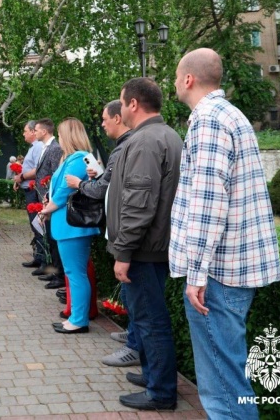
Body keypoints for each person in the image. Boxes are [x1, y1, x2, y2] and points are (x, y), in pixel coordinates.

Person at [170, 48, 280, 419]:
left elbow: (207, 204)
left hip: (218, 275)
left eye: (175, 76)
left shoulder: (208, 120)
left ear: (188, 79)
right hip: (230, 271)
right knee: (230, 377)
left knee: (224, 390)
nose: (173, 83)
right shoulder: (229, 115)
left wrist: (196, 274)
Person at [107, 77, 182, 411]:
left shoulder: (146, 141)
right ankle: (153, 376)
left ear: (133, 104)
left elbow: (139, 203)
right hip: (154, 246)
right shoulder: (164, 135)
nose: (120, 110)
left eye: (122, 103)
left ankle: (161, 391)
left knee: (151, 321)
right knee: (149, 317)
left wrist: (123, 251)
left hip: (144, 250)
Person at [66, 101, 139, 367]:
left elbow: (100, 191)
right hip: (118, 229)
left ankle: (135, 344)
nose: (102, 123)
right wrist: (97, 175)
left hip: (126, 232)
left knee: (139, 296)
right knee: (133, 294)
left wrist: (81, 184)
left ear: (118, 118)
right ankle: (134, 336)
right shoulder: (122, 147)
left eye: (104, 118)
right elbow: (108, 185)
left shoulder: (125, 147)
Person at [39, 118, 100, 333]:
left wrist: (47, 209)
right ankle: (77, 316)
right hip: (68, 225)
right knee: (75, 272)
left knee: (75, 273)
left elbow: (64, 191)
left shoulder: (78, 158)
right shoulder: (75, 158)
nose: (60, 138)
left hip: (72, 226)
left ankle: (79, 320)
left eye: (62, 134)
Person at [29, 118, 65, 287]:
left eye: (35, 130)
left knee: (53, 237)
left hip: (50, 200)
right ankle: (53, 270)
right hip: (44, 198)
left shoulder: (55, 148)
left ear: (44, 131)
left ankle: (58, 275)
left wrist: (49, 198)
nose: (33, 132)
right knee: (48, 237)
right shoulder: (45, 148)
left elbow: (54, 175)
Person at [13, 121, 45, 268]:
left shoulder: (38, 146)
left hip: (34, 191)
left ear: (33, 131)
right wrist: (20, 179)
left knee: (38, 224)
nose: (23, 134)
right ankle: (39, 257)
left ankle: (43, 259)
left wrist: (22, 177)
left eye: (25, 131)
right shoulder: (33, 147)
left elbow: (39, 169)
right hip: (29, 189)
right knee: (34, 225)